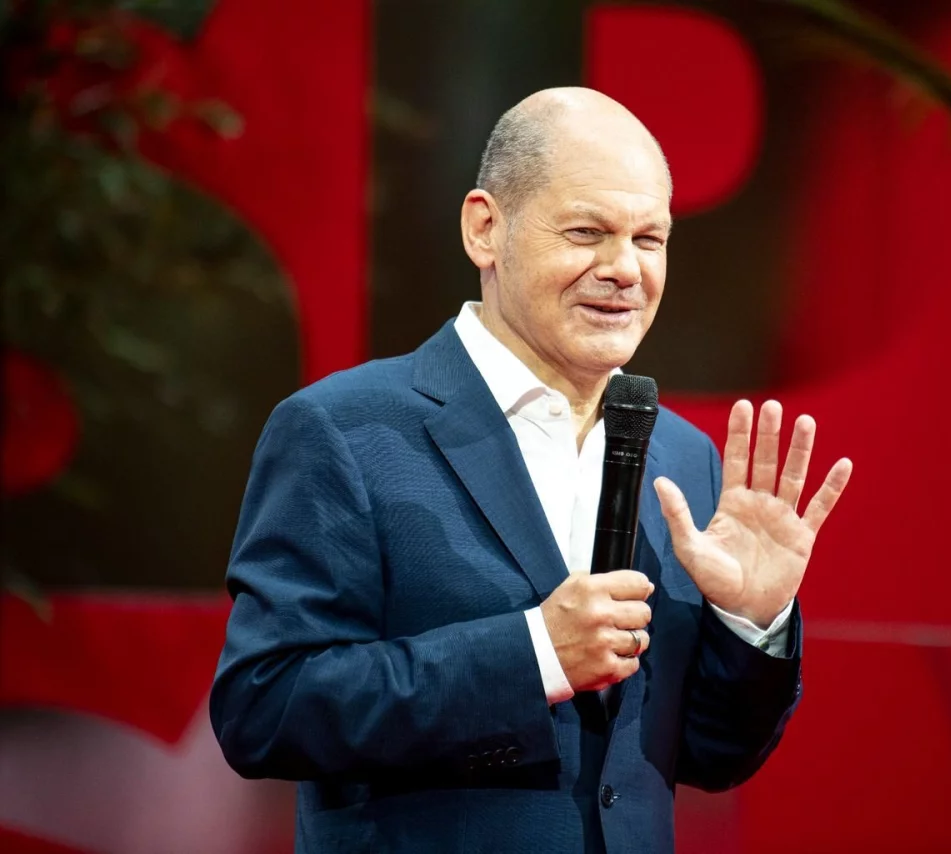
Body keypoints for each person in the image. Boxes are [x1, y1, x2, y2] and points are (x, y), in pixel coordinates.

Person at [210, 87, 852, 854]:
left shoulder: (683, 460)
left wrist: (751, 623)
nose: (624, 269)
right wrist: (535, 654)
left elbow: (711, 757)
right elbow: (265, 708)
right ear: (486, 228)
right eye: (587, 232)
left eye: (650, 239)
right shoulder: (344, 430)